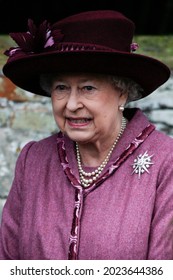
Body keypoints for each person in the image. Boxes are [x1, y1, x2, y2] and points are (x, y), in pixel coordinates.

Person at [0, 10, 173, 260]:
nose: (71, 105)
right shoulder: (34, 159)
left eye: (87, 88)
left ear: (122, 92)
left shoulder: (166, 162)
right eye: (61, 88)